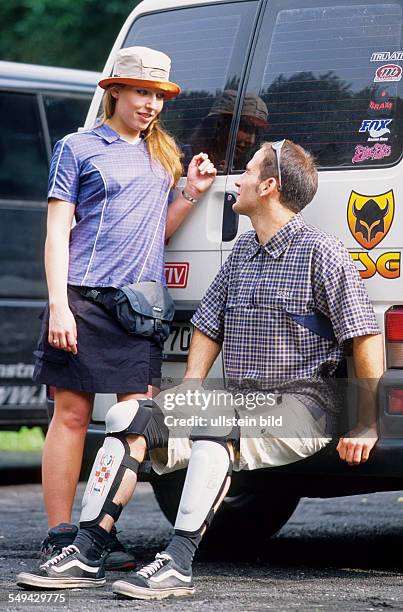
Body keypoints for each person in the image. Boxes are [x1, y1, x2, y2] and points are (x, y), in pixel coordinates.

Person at [17, 140, 383, 597]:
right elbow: (209, 324)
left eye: (246, 172)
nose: (237, 180)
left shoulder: (322, 252)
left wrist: (366, 423)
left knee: (215, 424)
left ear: (269, 186)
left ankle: (177, 563)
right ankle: (87, 551)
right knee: (132, 417)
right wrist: (188, 391)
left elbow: (366, 336)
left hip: (306, 404)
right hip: (240, 397)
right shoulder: (245, 249)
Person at [26, 46, 217, 571]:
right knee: (71, 414)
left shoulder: (164, 155)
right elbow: (57, 231)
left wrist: (192, 192)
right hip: (82, 299)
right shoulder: (77, 147)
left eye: (158, 95)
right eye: (141, 92)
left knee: (135, 420)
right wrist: (58, 305)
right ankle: (59, 534)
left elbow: (155, 232)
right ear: (114, 92)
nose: (151, 103)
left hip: (138, 307)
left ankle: (99, 532)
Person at [185, 89, 269, 172]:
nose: (252, 140)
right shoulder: (185, 161)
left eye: (257, 132)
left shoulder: (245, 171)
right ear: (219, 126)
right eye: (246, 128)